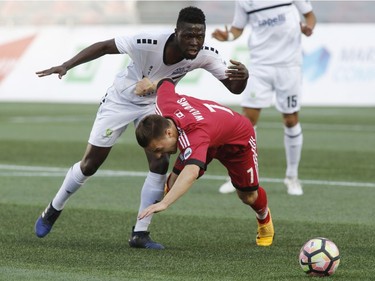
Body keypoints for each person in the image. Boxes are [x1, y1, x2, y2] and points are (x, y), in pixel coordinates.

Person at [34, 6, 249, 250]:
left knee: (159, 162)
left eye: (199, 36)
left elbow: (234, 88)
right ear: (176, 31)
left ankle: (140, 232)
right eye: (188, 35)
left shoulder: (205, 53)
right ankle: (54, 208)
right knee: (90, 165)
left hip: (155, 103)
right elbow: (105, 46)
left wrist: (244, 76)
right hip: (121, 100)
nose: (194, 42)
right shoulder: (147, 41)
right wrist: (66, 65)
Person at [136, 78, 274, 247]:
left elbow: (191, 172)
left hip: (238, 142)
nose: (158, 155)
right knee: (171, 184)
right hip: (208, 137)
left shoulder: (194, 134)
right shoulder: (164, 103)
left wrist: (165, 203)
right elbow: (166, 82)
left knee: (248, 196)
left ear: (169, 133)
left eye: (158, 149)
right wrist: (150, 84)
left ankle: (263, 217)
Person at [212, 0, 316, 195]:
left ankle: (292, 177)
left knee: (291, 119)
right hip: (260, 66)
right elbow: (237, 28)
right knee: (247, 121)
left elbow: (310, 16)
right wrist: (227, 36)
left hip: (289, 65)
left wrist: (308, 28)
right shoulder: (244, 1)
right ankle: (238, 176)